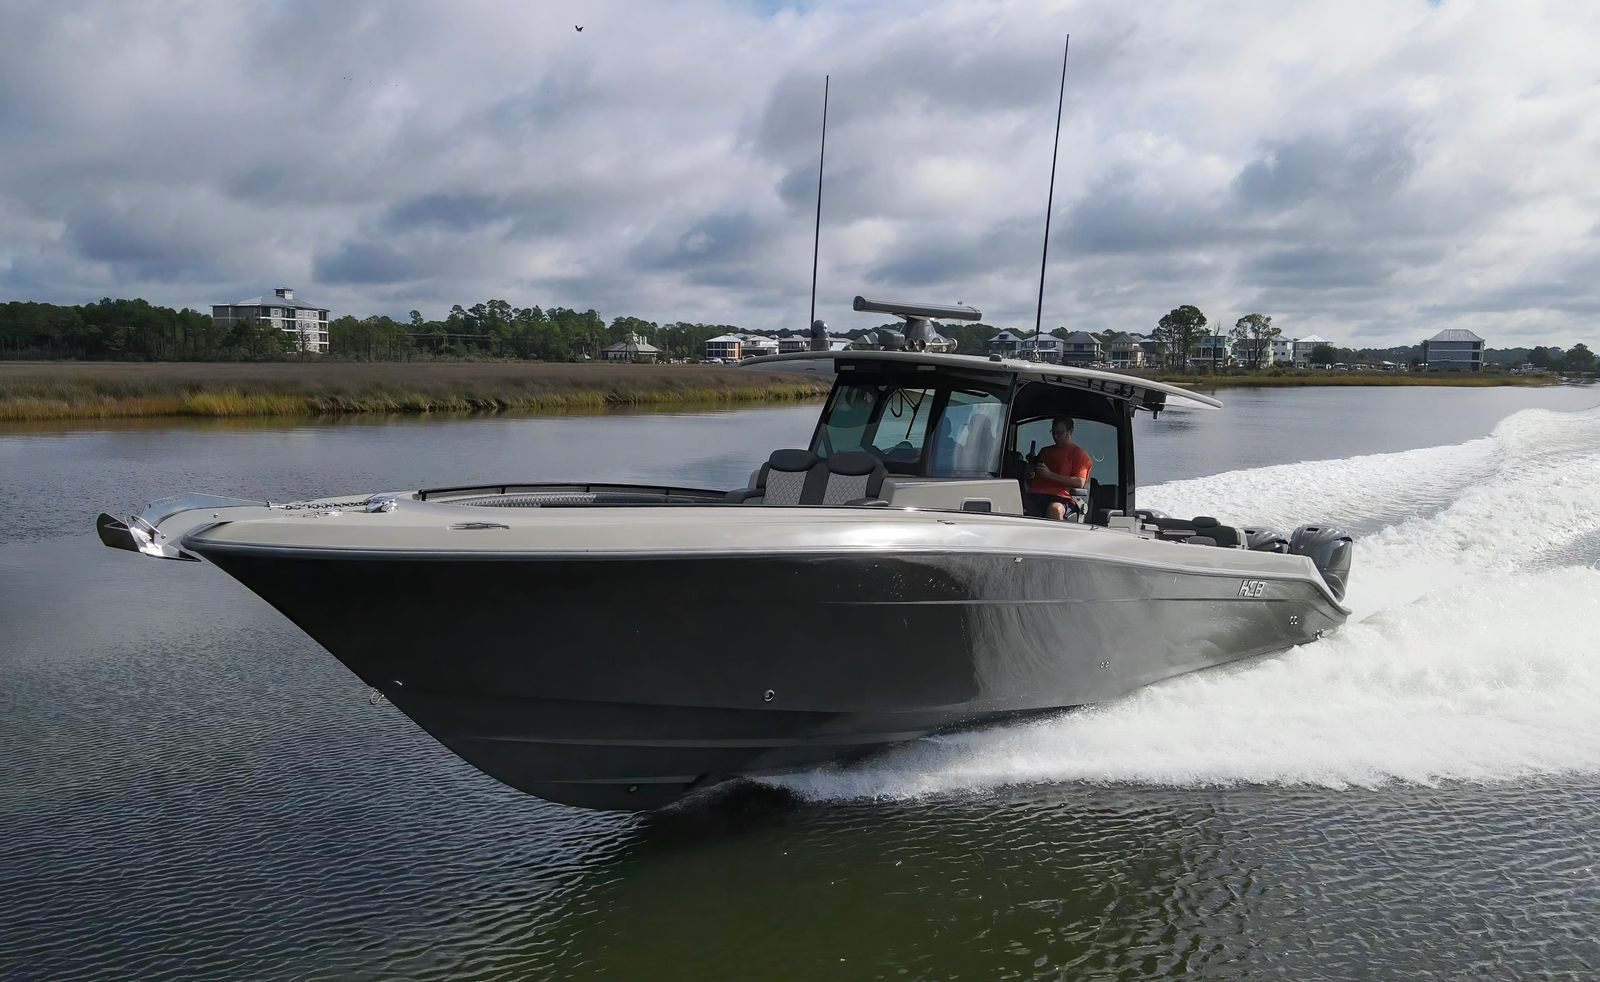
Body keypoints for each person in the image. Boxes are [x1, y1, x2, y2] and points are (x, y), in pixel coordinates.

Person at [1023, 416, 1092, 520]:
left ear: (1070, 431)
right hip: (1034, 494)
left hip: (1061, 498)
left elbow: (1079, 482)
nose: (1055, 436)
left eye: (1059, 433)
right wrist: (1030, 474)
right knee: (1010, 501)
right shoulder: (1044, 451)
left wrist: (1050, 475)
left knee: (1055, 509)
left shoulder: (1079, 454)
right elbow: (1032, 480)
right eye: (1053, 432)